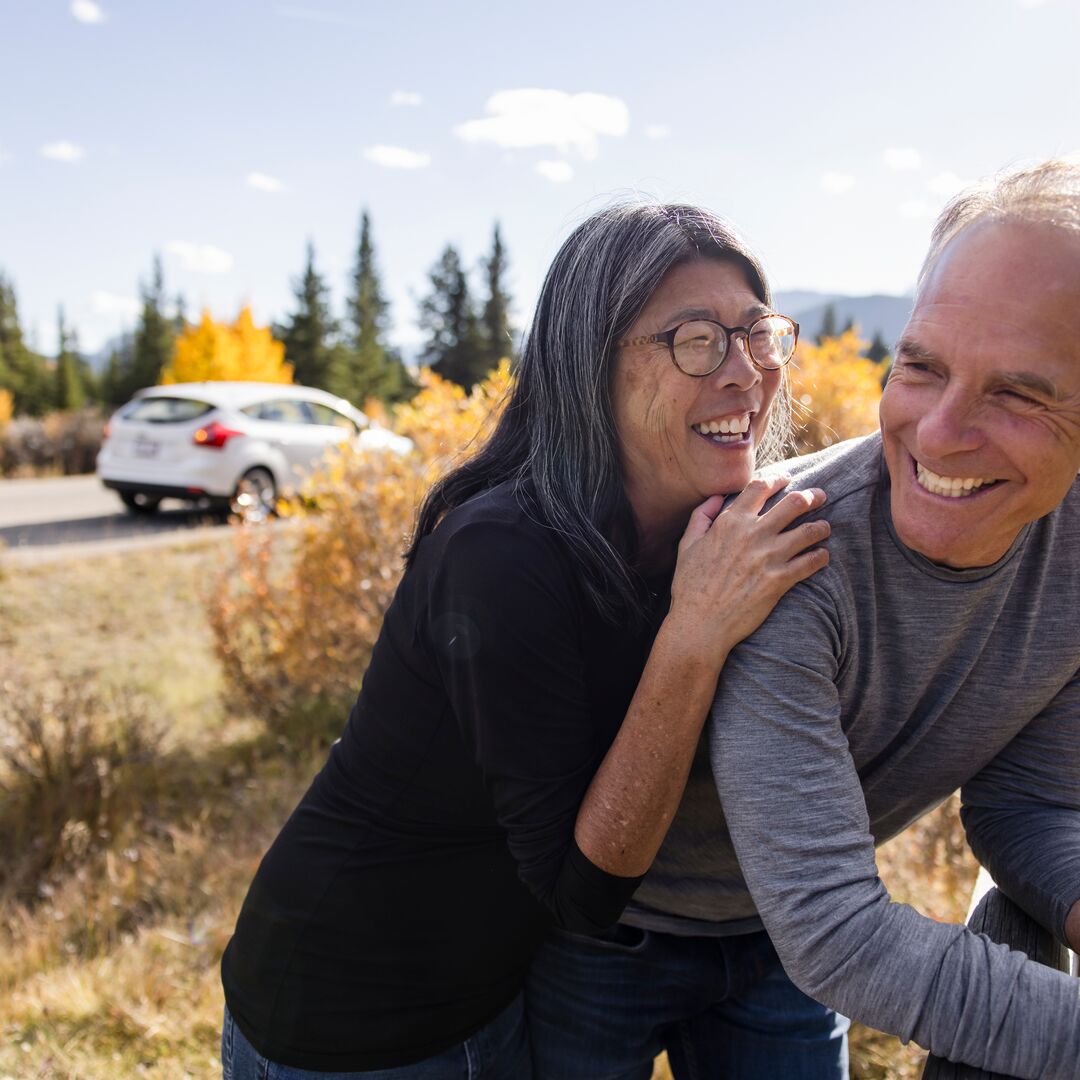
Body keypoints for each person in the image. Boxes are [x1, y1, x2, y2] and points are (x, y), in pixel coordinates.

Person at [218, 202, 831, 1078]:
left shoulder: (694, 530)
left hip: (488, 992)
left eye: (757, 334)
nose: (743, 372)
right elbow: (584, 891)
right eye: (696, 339)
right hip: (358, 1012)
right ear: (591, 366)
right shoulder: (503, 552)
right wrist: (694, 635)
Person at [528, 158, 1080, 1080]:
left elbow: (1025, 806)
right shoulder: (784, 548)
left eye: (1017, 392)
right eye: (920, 366)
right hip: (613, 933)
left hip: (778, 945)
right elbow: (836, 931)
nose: (941, 433)